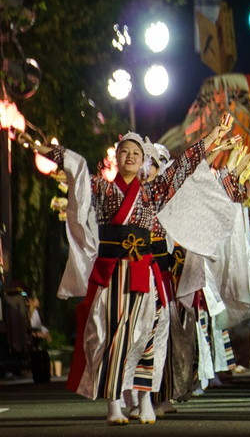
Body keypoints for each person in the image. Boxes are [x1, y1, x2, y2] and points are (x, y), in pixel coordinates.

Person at [23, 118, 232, 425]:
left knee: (149, 334)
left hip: (143, 274)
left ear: (144, 159)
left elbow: (182, 167)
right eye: (124, 152)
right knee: (111, 336)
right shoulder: (103, 189)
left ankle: (146, 399)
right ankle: (114, 403)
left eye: (136, 152)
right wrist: (52, 152)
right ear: (116, 158)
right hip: (112, 275)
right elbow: (78, 169)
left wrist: (213, 135)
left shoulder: (154, 192)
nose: (131, 156)